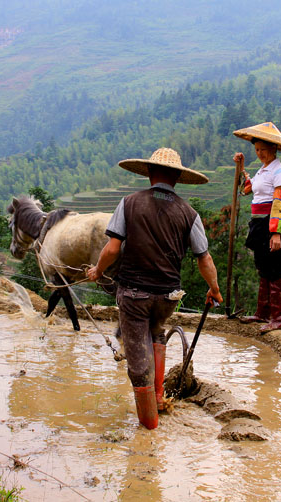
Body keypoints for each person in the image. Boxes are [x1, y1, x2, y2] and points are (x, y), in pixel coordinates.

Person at [86, 147, 223, 430]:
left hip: (134, 295)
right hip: (169, 297)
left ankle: (149, 433)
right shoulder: (189, 213)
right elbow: (204, 258)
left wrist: (97, 271)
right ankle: (159, 398)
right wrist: (215, 289)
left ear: (149, 172)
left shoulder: (128, 203)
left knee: (138, 367)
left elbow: (112, 249)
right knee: (157, 331)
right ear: (176, 177)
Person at [232, 122, 281, 333]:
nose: (259, 153)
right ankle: (262, 313)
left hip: (273, 225)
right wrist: (241, 168)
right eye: (257, 150)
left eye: (263, 150)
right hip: (259, 225)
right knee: (263, 268)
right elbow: (247, 190)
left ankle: (278, 318)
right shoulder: (263, 170)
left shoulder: (279, 172)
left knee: (275, 270)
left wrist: (276, 232)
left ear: (273, 149)